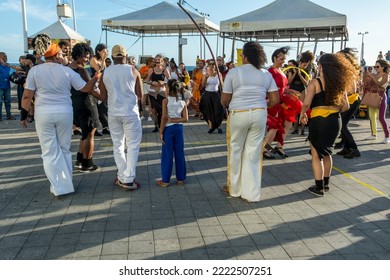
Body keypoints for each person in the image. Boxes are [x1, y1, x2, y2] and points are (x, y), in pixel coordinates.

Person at [20, 34, 100, 197]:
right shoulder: (67, 72)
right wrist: (97, 76)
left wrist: (23, 115)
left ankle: (58, 186)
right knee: (64, 148)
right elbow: (85, 88)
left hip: (43, 114)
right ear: (56, 56)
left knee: (49, 151)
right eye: (62, 54)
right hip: (64, 113)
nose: (64, 56)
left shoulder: (35, 71)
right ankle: (66, 183)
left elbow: (27, 96)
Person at [221, 41, 279, 202]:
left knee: (236, 150)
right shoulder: (266, 74)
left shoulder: (234, 72)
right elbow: (275, 99)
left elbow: (225, 100)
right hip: (259, 113)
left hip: (238, 113)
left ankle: (235, 189)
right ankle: (251, 193)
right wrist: (261, 104)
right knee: (253, 153)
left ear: (244, 56)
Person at [299, 53, 357, 196]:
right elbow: (346, 107)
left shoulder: (315, 82)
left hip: (319, 121)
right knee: (327, 153)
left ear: (321, 66)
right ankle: (326, 184)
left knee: (316, 155)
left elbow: (306, 103)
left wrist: (302, 113)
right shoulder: (339, 83)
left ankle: (318, 187)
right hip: (334, 121)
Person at [99, 45, 143, 190]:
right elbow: (141, 95)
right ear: (125, 56)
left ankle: (122, 175)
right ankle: (129, 178)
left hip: (113, 112)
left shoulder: (106, 71)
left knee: (118, 145)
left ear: (112, 57)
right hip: (130, 112)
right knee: (132, 146)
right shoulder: (133, 70)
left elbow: (103, 97)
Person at [69, 43, 101, 172]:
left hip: (74, 103)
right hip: (87, 103)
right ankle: (88, 163)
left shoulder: (66, 68)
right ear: (77, 55)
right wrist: (97, 78)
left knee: (84, 133)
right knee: (90, 133)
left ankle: (80, 159)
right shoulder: (81, 70)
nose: (87, 60)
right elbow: (90, 88)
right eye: (85, 57)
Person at [157, 79, 188, 187]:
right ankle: (181, 179)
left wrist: (161, 131)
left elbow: (164, 117)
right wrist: (176, 120)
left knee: (167, 154)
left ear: (169, 88)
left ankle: (165, 180)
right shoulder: (182, 101)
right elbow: (186, 118)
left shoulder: (166, 100)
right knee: (179, 153)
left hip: (168, 129)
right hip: (179, 128)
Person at [334, 48, 363, 158]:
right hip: (348, 100)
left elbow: (353, 89)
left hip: (352, 101)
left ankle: (354, 149)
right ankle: (347, 148)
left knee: (343, 126)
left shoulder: (349, 71)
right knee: (342, 126)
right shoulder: (343, 71)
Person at [363, 59, 390, 143]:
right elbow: (367, 85)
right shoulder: (374, 75)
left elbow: (381, 84)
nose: (375, 68)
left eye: (377, 66)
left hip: (381, 96)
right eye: (375, 66)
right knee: (372, 117)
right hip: (372, 96)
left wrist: (372, 76)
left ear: (383, 67)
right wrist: (366, 78)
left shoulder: (386, 75)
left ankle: (387, 136)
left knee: (381, 117)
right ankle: (373, 134)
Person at [145, 54, 171, 132]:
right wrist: (152, 82)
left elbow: (170, 80)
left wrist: (163, 82)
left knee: (162, 110)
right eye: (155, 61)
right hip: (152, 92)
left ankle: (162, 126)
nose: (156, 62)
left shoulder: (165, 70)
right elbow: (147, 80)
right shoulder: (151, 70)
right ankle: (156, 126)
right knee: (153, 111)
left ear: (162, 61)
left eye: (158, 61)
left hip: (162, 92)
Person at [199, 63, 224, 134]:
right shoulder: (205, 75)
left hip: (215, 94)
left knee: (218, 111)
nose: (211, 70)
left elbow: (222, 84)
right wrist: (206, 78)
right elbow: (203, 85)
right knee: (208, 111)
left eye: (213, 68)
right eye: (210, 69)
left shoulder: (219, 75)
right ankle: (211, 127)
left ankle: (219, 126)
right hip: (207, 94)